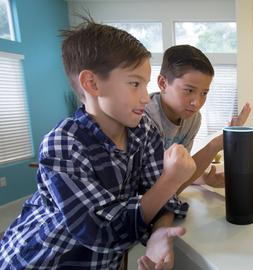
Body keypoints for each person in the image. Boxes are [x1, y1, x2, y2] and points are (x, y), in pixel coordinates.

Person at [0, 20, 195, 269]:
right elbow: (104, 230)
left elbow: (160, 199)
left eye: (145, 85)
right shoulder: (64, 143)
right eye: (135, 83)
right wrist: (171, 179)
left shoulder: (144, 131)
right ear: (92, 83)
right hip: (42, 261)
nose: (146, 97)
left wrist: (160, 232)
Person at [145, 44, 251, 192]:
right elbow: (160, 189)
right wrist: (216, 144)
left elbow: (179, 175)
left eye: (204, 93)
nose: (197, 103)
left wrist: (203, 178)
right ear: (163, 83)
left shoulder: (193, 119)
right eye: (189, 90)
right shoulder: (145, 119)